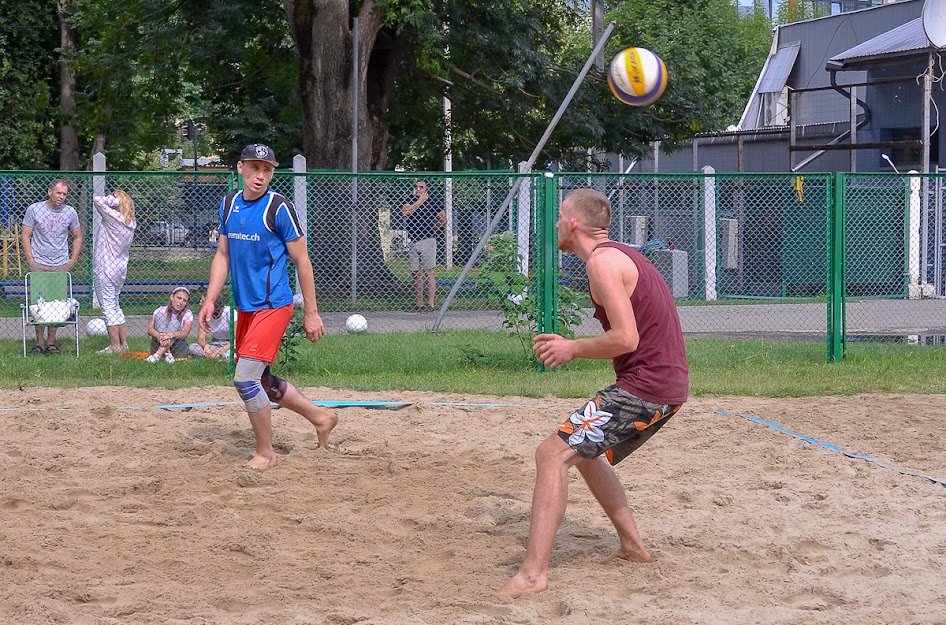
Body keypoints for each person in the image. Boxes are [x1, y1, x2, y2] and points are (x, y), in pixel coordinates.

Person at [500, 188, 689, 598]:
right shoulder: (616, 255)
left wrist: (571, 347)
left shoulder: (603, 263)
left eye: (558, 216)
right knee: (583, 453)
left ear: (572, 224)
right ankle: (633, 547)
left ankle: (533, 575)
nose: (554, 224)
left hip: (648, 386)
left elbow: (625, 338)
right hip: (661, 383)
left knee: (552, 454)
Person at [199, 143, 337, 470]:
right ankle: (321, 417)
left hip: (274, 305)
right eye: (254, 167)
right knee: (261, 382)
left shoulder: (279, 208)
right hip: (246, 307)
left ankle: (266, 452)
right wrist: (208, 299)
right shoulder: (228, 204)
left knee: (244, 379)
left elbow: (303, 261)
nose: (260, 175)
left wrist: (311, 312)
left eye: (267, 169)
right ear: (240, 168)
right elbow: (223, 255)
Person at [21, 179, 83, 354]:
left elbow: (78, 236)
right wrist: (30, 258)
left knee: (57, 305)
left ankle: (51, 343)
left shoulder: (70, 212)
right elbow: (26, 234)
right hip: (39, 263)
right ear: (49, 192)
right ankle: (39, 343)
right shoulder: (34, 209)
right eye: (58, 193)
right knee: (38, 305)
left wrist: (72, 260)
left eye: (64, 194)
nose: (62, 197)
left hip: (60, 263)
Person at [92, 190, 136, 353]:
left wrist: (117, 201)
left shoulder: (114, 218)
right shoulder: (130, 222)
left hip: (105, 268)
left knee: (108, 308)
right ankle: (123, 344)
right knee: (115, 306)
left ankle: (115, 346)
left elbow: (97, 200)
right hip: (119, 269)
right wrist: (124, 202)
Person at [401, 179, 446, 312]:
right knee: (415, 272)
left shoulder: (433, 202)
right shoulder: (410, 199)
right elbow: (405, 212)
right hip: (413, 240)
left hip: (427, 240)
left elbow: (443, 219)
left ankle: (430, 305)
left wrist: (434, 229)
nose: (418, 189)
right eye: (417, 187)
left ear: (426, 189)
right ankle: (419, 304)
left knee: (428, 271)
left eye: (421, 187)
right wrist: (419, 202)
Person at [146, 286, 193, 363]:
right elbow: (150, 330)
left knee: (175, 323)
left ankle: (158, 354)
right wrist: (160, 335)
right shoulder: (160, 310)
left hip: (178, 349)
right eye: (179, 298)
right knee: (160, 316)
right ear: (172, 297)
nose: (181, 302)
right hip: (159, 342)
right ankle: (167, 353)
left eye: (184, 300)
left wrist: (170, 334)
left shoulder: (188, 313)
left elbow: (185, 333)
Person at [190, 290, 231, 360]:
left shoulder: (228, 311)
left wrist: (219, 350)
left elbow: (236, 340)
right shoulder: (204, 315)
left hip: (229, 344)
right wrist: (206, 346)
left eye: (202, 301)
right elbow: (201, 339)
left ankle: (218, 355)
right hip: (215, 344)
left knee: (234, 349)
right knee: (192, 347)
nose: (200, 304)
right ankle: (219, 356)